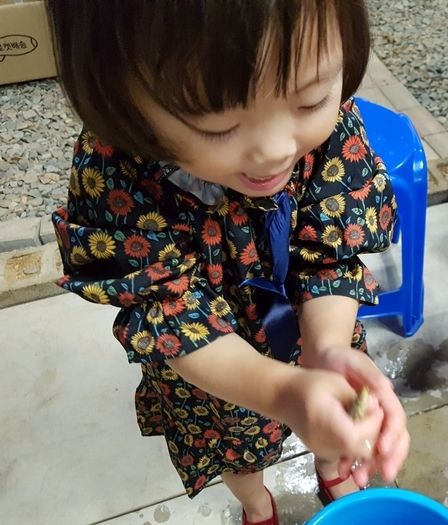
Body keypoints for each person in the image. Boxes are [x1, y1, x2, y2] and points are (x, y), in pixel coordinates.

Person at [46, 2, 410, 524]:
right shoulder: (116, 172)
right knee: (236, 450)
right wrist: (282, 391)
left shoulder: (332, 129)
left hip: (309, 328)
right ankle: (256, 503)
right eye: (217, 127)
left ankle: (332, 463)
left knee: (332, 411)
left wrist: (326, 348)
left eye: (310, 101)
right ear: (117, 98)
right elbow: (167, 313)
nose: (274, 151)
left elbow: (328, 254)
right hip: (216, 372)